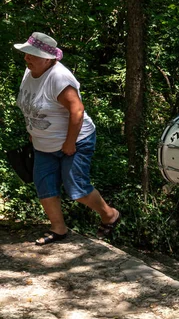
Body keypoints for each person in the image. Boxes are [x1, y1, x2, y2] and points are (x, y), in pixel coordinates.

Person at [13, 32, 120, 245]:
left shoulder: (59, 78)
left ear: (48, 58)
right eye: (26, 53)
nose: (27, 58)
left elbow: (77, 110)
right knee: (44, 185)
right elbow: (31, 105)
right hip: (44, 144)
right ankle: (58, 229)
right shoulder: (30, 71)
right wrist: (32, 132)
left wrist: (69, 143)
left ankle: (109, 214)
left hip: (75, 140)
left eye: (32, 55)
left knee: (76, 188)